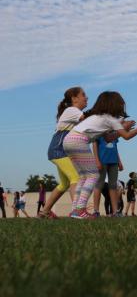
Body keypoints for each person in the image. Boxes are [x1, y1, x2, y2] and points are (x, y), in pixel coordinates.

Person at [63, 91, 137, 219]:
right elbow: (127, 136)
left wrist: (123, 128)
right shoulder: (111, 119)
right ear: (115, 105)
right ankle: (80, 210)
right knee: (93, 175)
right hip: (79, 141)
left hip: (68, 140)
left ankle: (75, 210)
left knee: (83, 177)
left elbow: (108, 138)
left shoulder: (98, 117)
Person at [39, 87, 87, 219]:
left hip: (58, 150)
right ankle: (78, 212)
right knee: (76, 178)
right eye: (84, 95)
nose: (86, 97)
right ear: (74, 99)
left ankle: (45, 212)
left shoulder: (73, 112)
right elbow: (87, 119)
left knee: (64, 184)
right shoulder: (72, 110)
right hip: (59, 150)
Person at [92, 135, 124, 217]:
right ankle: (96, 211)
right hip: (102, 161)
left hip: (114, 161)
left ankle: (115, 212)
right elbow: (94, 145)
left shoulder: (114, 132)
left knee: (113, 186)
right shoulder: (99, 130)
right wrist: (97, 160)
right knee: (99, 185)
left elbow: (115, 147)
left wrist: (119, 161)